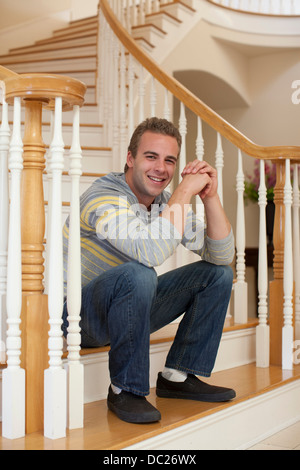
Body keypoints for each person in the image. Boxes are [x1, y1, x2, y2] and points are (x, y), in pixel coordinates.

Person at [62, 117, 236, 424]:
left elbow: (222, 256)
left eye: (169, 160)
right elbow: (148, 252)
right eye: (151, 157)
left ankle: (178, 376)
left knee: (217, 275)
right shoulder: (103, 197)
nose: (161, 168)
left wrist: (210, 197)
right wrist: (183, 192)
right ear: (130, 158)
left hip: (130, 309)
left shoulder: (163, 204)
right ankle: (124, 389)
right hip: (80, 317)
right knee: (141, 272)